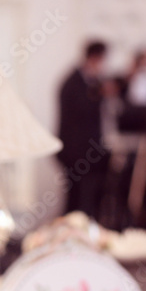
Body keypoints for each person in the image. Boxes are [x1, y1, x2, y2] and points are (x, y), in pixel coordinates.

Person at [57, 40, 110, 218]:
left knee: (87, 199)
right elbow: (79, 114)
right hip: (76, 154)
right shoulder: (73, 83)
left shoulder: (90, 83)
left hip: (87, 153)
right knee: (76, 201)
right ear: (95, 59)